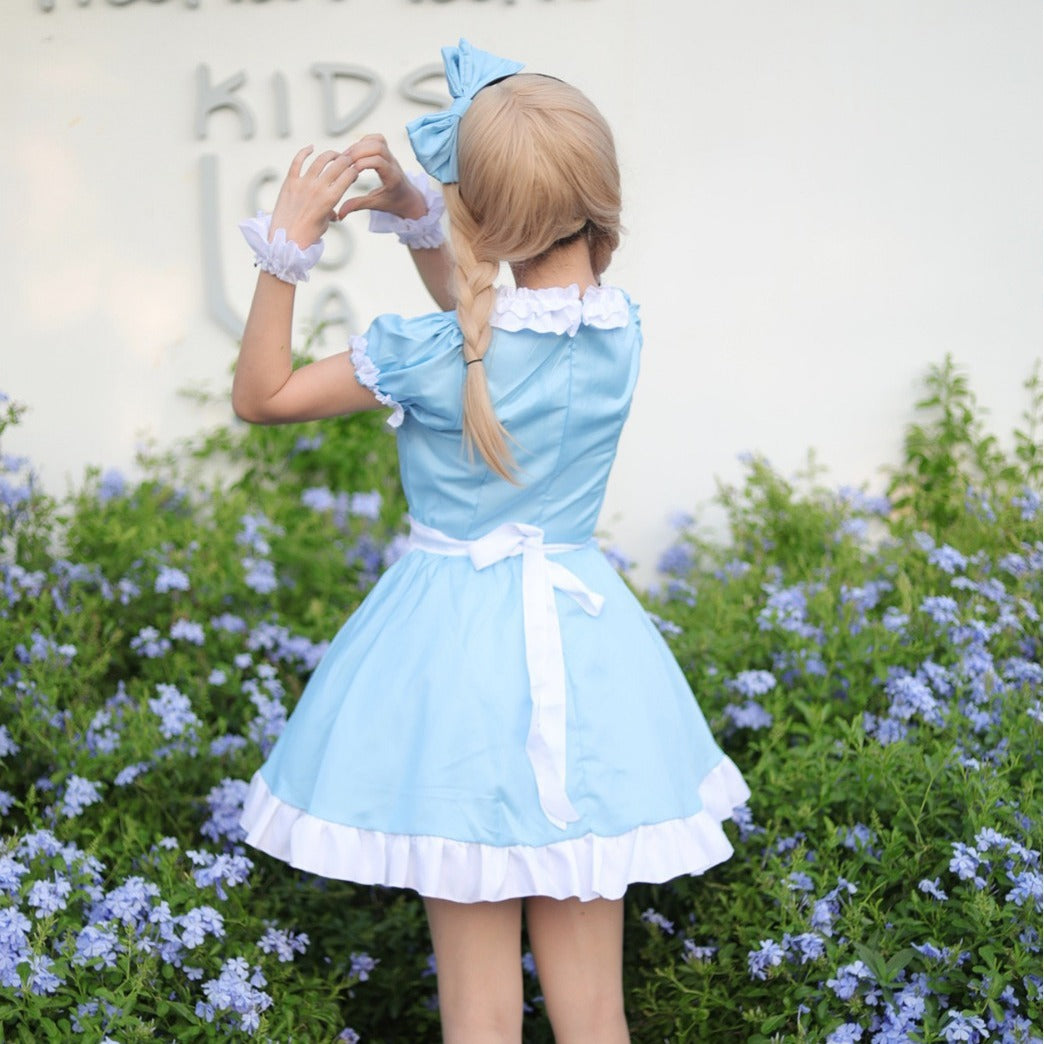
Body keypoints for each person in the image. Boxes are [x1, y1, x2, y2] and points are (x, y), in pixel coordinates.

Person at [234, 39, 749, 1044]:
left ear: (478, 210)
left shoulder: (433, 352)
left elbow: (264, 396)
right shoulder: (617, 328)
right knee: (597, 1014)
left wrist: (285, 250)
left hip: (454, 676)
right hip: (588, 661)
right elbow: (494, 321)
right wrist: (431, 218)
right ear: (596, 194)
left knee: (479, 1015)